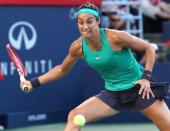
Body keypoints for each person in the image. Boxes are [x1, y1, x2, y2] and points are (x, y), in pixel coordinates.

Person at [20, 2, 170, 131]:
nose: (85, 26)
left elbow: (149, 48)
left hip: (140, 88)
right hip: (113, 94)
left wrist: (146, 78)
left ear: (98, 21)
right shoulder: (77, 47)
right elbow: (61, 70)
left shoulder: (116, 37)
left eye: (89, 21)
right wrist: (33, 83)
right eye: (80, 22)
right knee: (74, 116)